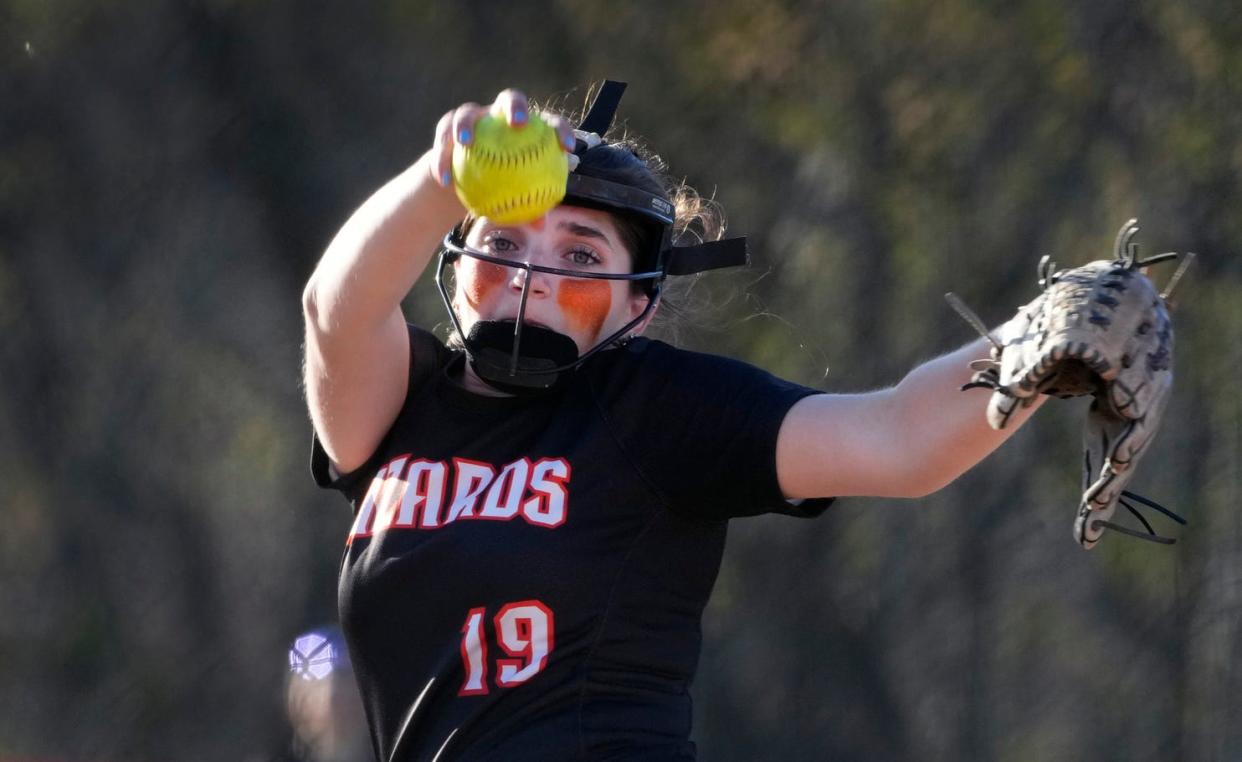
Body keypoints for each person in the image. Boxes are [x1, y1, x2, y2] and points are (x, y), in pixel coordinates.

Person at [301, 82, 1043, 761]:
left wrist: (1046, 339)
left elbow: (900, 438)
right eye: (502, 240)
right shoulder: (403, 407)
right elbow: (336, 311)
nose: (534, 273)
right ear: (456, 261)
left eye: (581, 253)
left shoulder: (651, 407)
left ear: (637, 303)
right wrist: (444, 178)